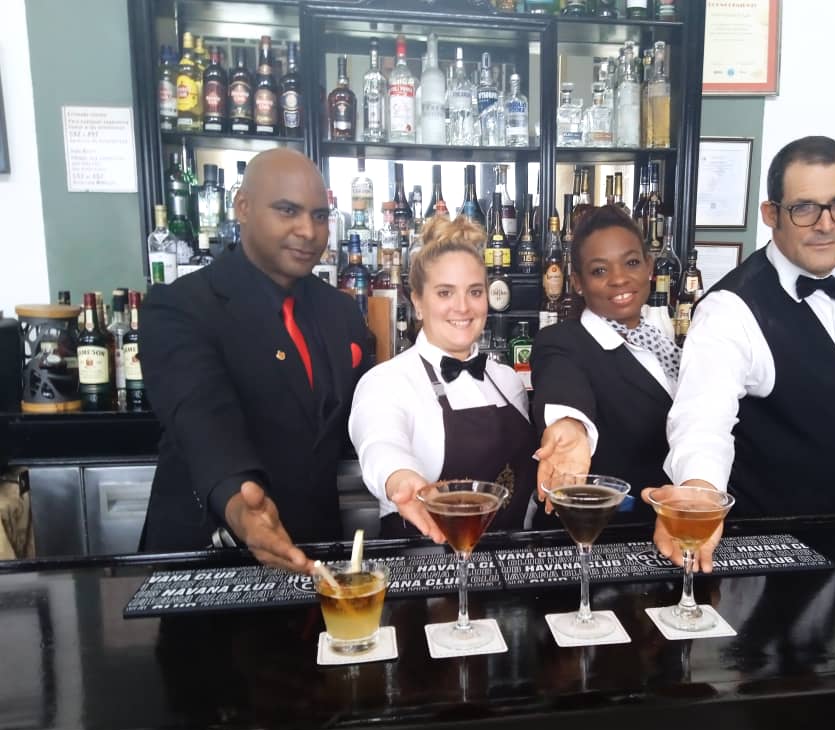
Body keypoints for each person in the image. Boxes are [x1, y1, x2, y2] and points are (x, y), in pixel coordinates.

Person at [657, 135, 835, 569]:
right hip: (769, 555)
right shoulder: (729, 309)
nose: (826, 224)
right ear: (771, 214)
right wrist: (700, 493)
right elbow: (702, 422)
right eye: (804, 208)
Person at [139, 148, 371, 572]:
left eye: (320, 216)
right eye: (288, 211)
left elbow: (364, 413)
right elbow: (201, 415)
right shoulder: (180, 306)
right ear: (242, 208)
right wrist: (240, 505)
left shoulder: (341, 312)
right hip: (213, 560)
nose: (308, 231)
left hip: (317, 558)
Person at [349, 215, 537, 539]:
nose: (462, 307)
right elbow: (379, 443)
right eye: (445, 293)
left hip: (509, 563)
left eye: (474, 292)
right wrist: (401, 479)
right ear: (418, 302)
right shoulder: (387, 382)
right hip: (427, 563)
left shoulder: (507, 380)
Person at [531, 206, 679, 523]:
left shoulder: (665, 339)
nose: (619, 278)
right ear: (578, 282)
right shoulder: (563, 341)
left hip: (678, 526)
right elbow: (561, 383)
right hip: (601, 533)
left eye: (632, 262)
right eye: (599, 270)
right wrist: (570, 425)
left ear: (649, 267)